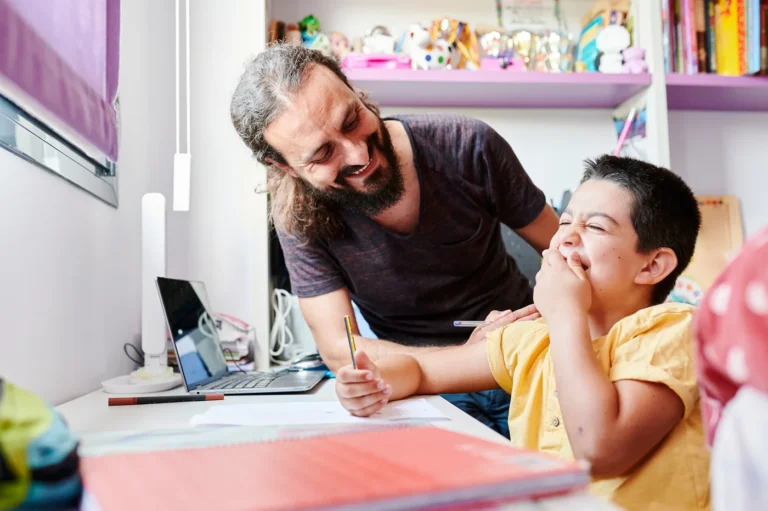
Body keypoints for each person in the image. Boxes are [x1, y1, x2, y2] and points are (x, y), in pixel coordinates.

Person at [335, 155, 710, 511]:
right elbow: (421, 372)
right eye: (565, 222)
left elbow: (600, 451)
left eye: (594, 226)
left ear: (652, 265)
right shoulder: (533, 338)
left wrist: (565, 314)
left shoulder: (673, 331)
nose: (566, 237)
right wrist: (376, 381)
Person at [229, 43, 558, 436]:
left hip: (522, 357)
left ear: (355, 91)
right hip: (416, 385)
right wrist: (465, 360)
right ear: (284, 166)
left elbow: (571, 255)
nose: (358, 153)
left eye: (351, 119)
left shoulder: (468, 145)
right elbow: (341, 349)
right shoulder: (297, 215)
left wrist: (555, 327)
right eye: (323, 154)